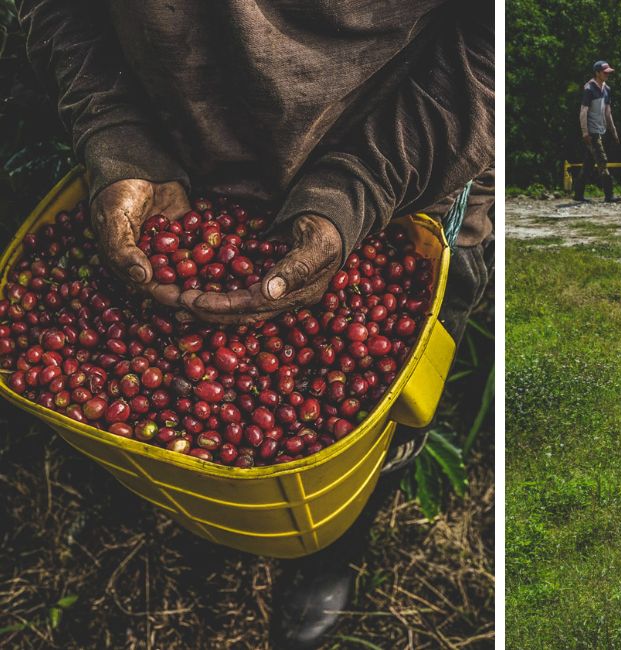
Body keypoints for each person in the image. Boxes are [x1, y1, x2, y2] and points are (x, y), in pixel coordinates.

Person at [17, 2, 493, 648]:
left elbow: (493, 43)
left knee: (388, 415)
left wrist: (358, 190)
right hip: (173, 163)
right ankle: (206, 513)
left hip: (400, 178)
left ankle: (330, 553)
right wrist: (115, 129)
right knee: (244, 422)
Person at [572, 60, 621, 203]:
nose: (607, 74)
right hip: (592, 132)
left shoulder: (607, 89)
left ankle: (578, 194)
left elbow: (608, 112)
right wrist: (585, 132)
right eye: (605, 72)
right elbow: (583, 111)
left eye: (608, 72)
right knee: (602, 161)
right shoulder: (589, 89)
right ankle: (609, 194)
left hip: (600, 130)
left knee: (588, 164)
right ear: (597, 73)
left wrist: (613, 130)